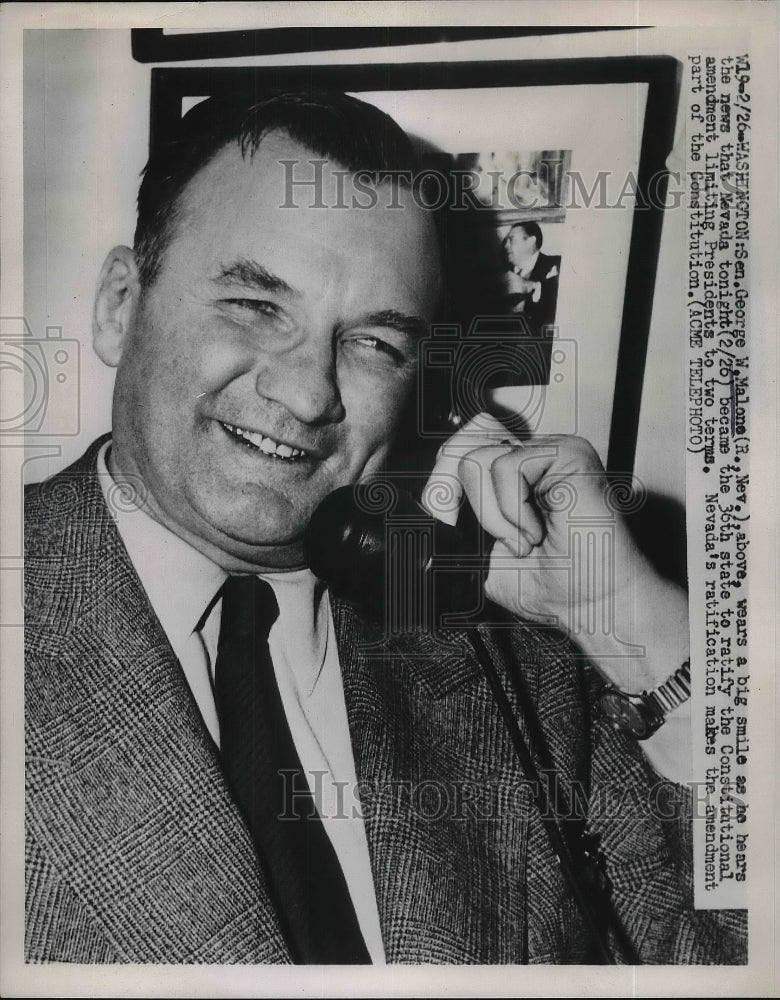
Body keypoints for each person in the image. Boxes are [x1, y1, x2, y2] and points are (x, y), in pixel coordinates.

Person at [24, 90, 746, 965]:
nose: (307, 393)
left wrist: (635, 630)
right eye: (255, 305)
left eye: (374, 343)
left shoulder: (515, 673)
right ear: (116, 307)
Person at [500, 220, 561, 334]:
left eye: (511, 240)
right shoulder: (501, 273)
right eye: (506, 241)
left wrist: (528, 285)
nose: (505, 246)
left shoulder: (558, 264)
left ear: (531, 241)